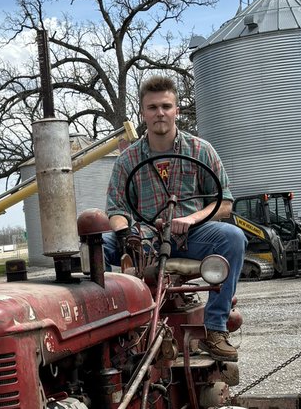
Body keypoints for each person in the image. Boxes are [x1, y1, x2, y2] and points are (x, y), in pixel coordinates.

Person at [103, 75, 246, 361]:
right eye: (152, 107)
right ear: (142, 113)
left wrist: (193, 219)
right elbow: (116, 209)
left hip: (192, 236)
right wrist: (124, 235)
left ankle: (215, 328)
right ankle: (112, 327)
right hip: (146, 240)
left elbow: (224, 203)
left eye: (166, 106)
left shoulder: (200, 150)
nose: (160, 113)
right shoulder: (127, 160)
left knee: (233, 237)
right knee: (97, 247)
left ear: (176, 110)